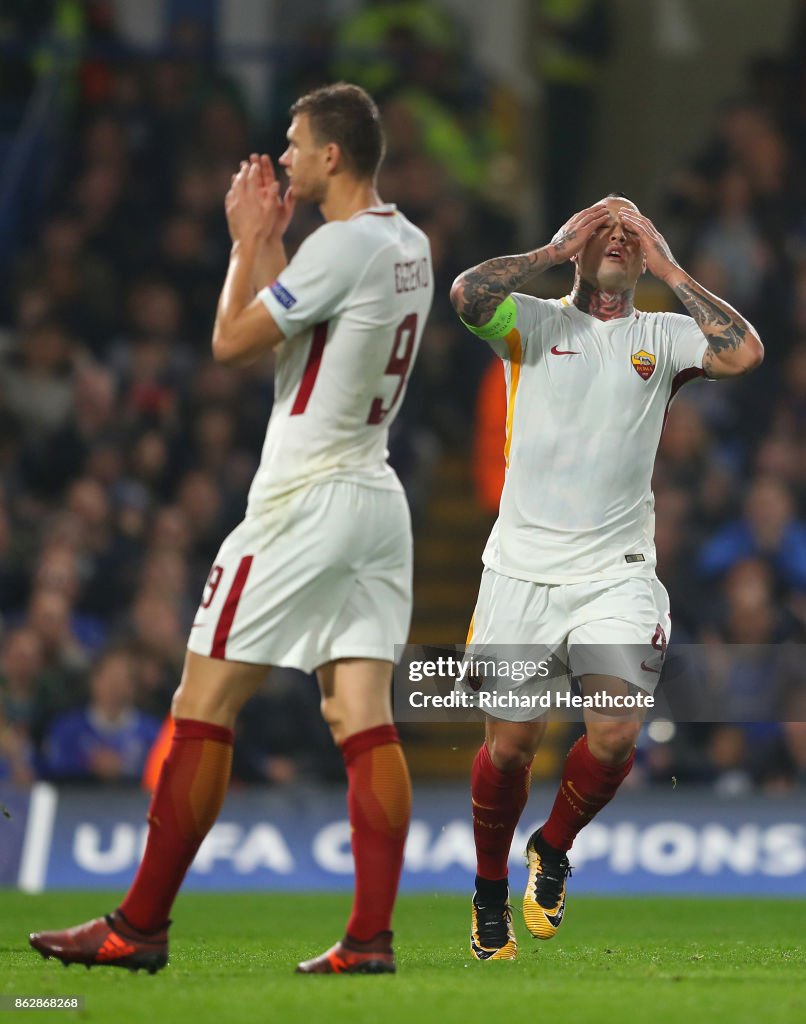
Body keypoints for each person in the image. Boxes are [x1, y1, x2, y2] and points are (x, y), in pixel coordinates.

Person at [30, 82, 433, 975]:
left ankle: (137, 926)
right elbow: (307, 340)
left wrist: (247, 243)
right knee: (361, 713)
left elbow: (230, 343)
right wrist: (278, 249)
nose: (283, 157)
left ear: (333, 156)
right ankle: (369, 938)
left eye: (294, 144)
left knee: (199, 706)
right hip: (377, 496)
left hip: (304, 502)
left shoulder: (342, 245)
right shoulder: (408, 242)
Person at [449, 193, 763, 960]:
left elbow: (744, 350)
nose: (618, 242)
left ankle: (552, 850)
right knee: (511, 750)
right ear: (578, 247)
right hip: (519, 569)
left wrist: (669, 265)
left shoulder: (662, 335)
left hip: (616, 571)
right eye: (604, 232)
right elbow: (466, 295)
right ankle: (490, 892)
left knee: (616, 732)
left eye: (631, 234)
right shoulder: (534, 323)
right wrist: (555, 251)